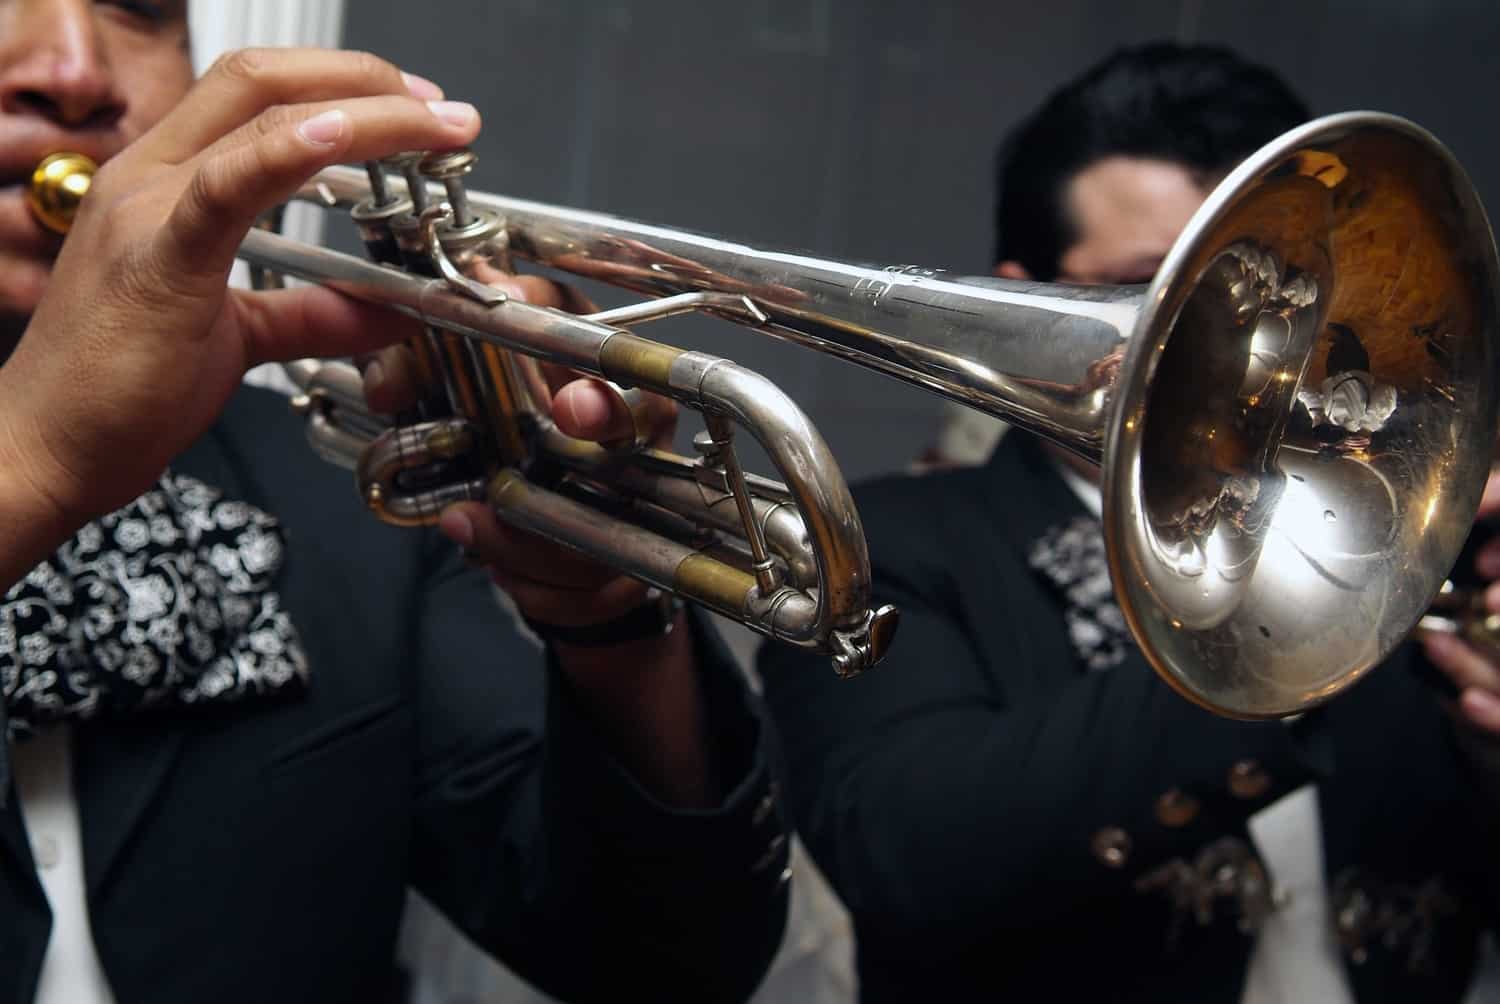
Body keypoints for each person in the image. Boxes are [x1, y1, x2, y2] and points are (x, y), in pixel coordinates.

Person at [0, 2, 790, 1002]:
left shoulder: (344, 481)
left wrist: (608, 605)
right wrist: (27, 465)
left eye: (140, 9)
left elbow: (666, 960)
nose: (74, 71)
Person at [759, 42, 1500, 1003]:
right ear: (1018, 304)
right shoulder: (885, 543)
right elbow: (905, 857)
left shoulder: (1434, 541)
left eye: (1275, 289)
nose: (1247, 346)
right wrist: (1322, 622)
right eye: (1159, 284)